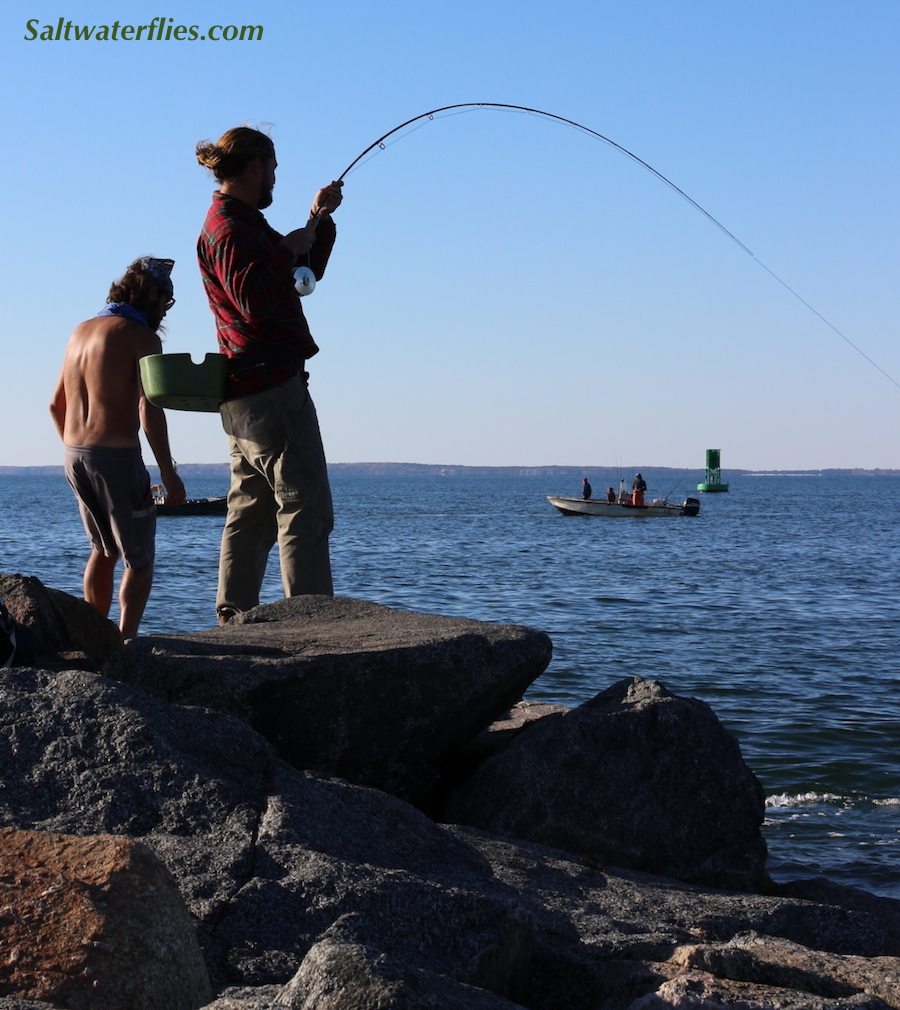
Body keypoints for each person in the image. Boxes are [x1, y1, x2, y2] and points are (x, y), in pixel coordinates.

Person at [195, 126, 343, 624]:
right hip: (272, 390)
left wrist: (316, 222)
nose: (276, 176)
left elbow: (301, 277)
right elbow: (254, 299)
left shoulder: (239, 223)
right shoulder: (228, 227)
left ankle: (233, 620)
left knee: (251, 514)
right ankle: (313, 627)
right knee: (304, 508)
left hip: (244, 396)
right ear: (255, 166)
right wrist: (290, 244)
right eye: (274, 167)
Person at [49, 257, 185, 641]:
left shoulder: (81, 331)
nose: (165, 311)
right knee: (138, 560)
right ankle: (125, 645)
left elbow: (54, 405)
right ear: (152, 294)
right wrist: (167, 471)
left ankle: (93, 640)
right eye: (166, 300)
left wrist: (82, 451)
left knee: (103, 551)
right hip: (117, 458)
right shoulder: (142, 338)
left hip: (74, 454)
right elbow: (148, 406)